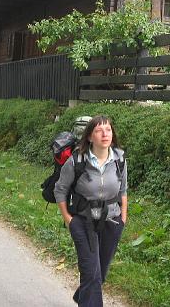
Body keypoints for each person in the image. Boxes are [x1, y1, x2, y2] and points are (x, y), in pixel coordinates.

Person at [54, 115, 128, 306]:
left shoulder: (119, 159)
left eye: (108, 130)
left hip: (112, 221)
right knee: (91, 274)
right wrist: (69, 219)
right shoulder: (76, 161)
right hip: (83, 221)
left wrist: (123, 218)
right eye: (99, 130)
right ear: (89, 136)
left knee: (99, 273)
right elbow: (60, 189)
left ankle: (83, 297)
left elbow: (123, 190)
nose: (105, 134)